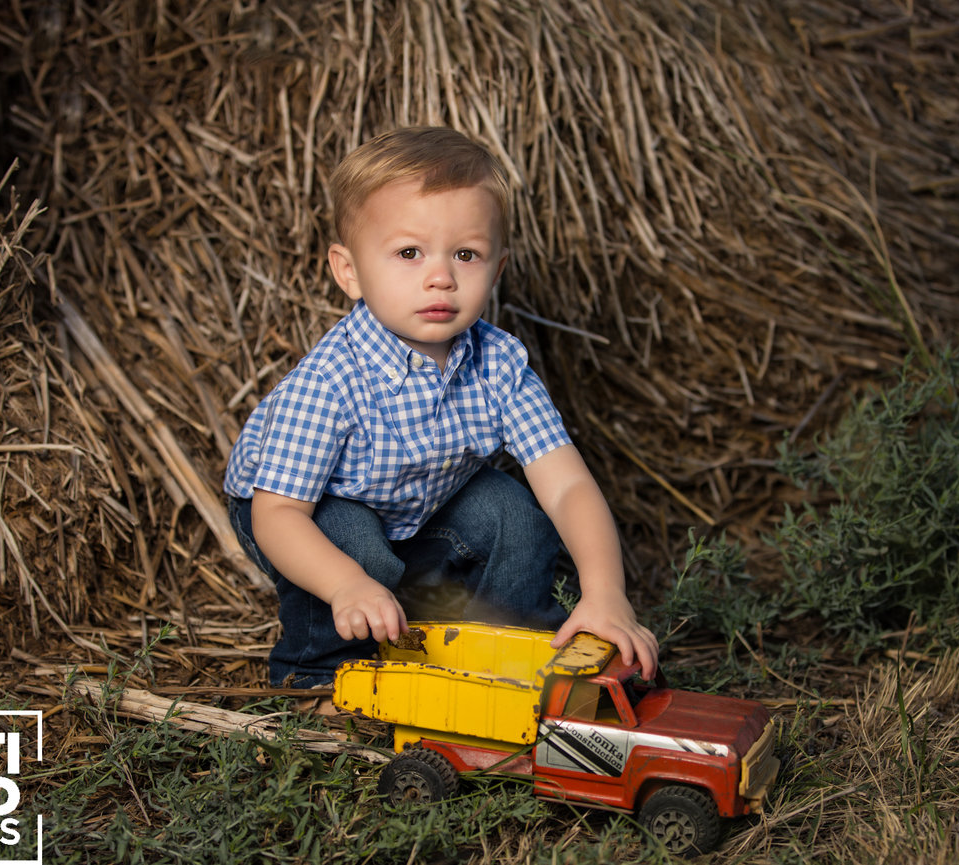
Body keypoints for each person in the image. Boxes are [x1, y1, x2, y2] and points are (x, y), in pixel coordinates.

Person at [224, 127, 658, 687]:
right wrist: (347, 585)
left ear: (496, 269)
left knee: (516, 512)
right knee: (356, 548)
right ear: (349, 271)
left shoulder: (499, 363)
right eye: (409, 252)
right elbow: (278, 517)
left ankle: (515, 647)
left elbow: (568, 485)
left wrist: (606, 593)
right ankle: (314, 676)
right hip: (301, 512)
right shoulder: (330, 382)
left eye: (466, 254)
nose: (441, 277)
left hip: (417, 501)